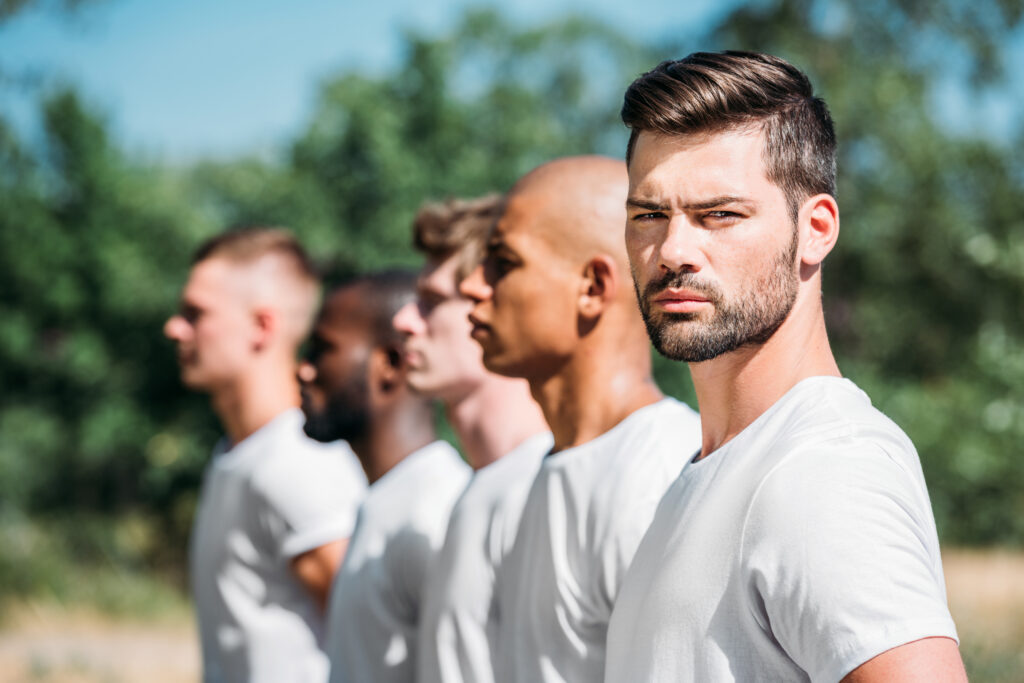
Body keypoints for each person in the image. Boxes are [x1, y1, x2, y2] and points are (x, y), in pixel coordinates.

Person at [604, 51, 965, 682]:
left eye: (720, 214)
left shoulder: (825, 469)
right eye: (648, 216)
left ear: (816, 229)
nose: (672, 250)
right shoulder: (711, 474)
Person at [459, 156, 702, 683]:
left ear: (592, 287)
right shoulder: (548, 472)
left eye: (503, 263)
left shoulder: (662, 479)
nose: (473, 286)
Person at [163, 228, 367, 683]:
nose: (175, 328)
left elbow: (368, 638)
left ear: (263, 326)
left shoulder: (299, 462)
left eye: (196, 314)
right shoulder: (237, 453)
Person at [391, 196, 552, 683]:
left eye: (433, 301)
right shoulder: (481, 486)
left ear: (494, 299)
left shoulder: (541, 488)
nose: (404, 321)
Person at [299, 270, 472, 683]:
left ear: (390, 364)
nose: (303, 371)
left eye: (322, 350)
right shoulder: (387, 500)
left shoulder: (434, 510)